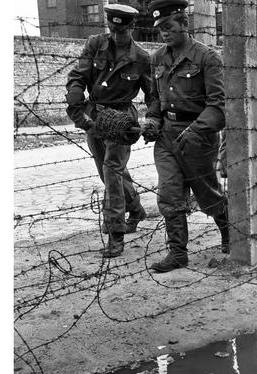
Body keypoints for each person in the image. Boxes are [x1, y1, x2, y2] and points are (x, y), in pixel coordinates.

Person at [142, 0, 229, 273]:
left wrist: (197, 130)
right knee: (169, 194)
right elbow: (154, 100)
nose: (164, 34)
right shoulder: (157, 58)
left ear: (184, 24)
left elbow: (218, 107)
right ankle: (177, 253)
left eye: (169, 27)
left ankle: (229, 232)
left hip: (198, 137)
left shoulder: (207, 58)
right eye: (160, 30)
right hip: (167, 137)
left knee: (208, 195)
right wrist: (152, 120)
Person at [66, 3, 152, 258]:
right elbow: (78, 75)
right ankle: (136, 209)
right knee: (106, 170)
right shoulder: (95, 44)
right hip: (95, 114)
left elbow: (152, 95)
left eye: (121, 30)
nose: (115, 35)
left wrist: (152, 121)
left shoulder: (142, 58)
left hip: (122, 119)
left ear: (131, 27)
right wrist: (75, 98)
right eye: (112, 29)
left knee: (112, 172)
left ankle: (116, 233)